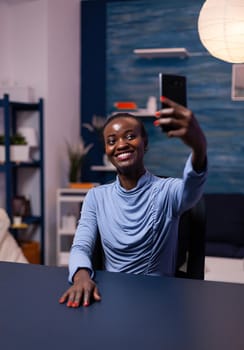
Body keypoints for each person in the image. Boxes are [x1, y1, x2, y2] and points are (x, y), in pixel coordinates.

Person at [59, 96, 207, 308]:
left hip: (161, 301)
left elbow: (192, 189)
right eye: (111, 141)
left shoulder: (168, 190)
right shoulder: (96, 196)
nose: (121, 145)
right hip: (111, 300)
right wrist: (81, 276)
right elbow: (81, 246)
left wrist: (199, 147)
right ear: (107, 151)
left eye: (130, 136)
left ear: (144, 142)